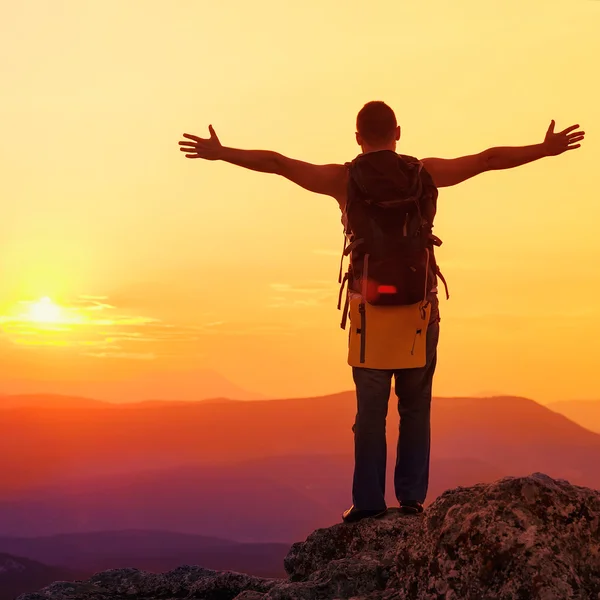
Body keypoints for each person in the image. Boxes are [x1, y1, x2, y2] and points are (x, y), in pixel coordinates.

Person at [178, 101, 585, 523]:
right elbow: (488, 159)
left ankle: (369, 502)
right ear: (398, 132)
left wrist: (222, 152)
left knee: (370, 413)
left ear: (358, 137)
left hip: (369, 314)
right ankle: (411, 500)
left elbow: (278, 162)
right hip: (420, 309)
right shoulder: (425, 173)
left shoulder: (343, 178)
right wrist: (543, 148)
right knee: (415, 406)